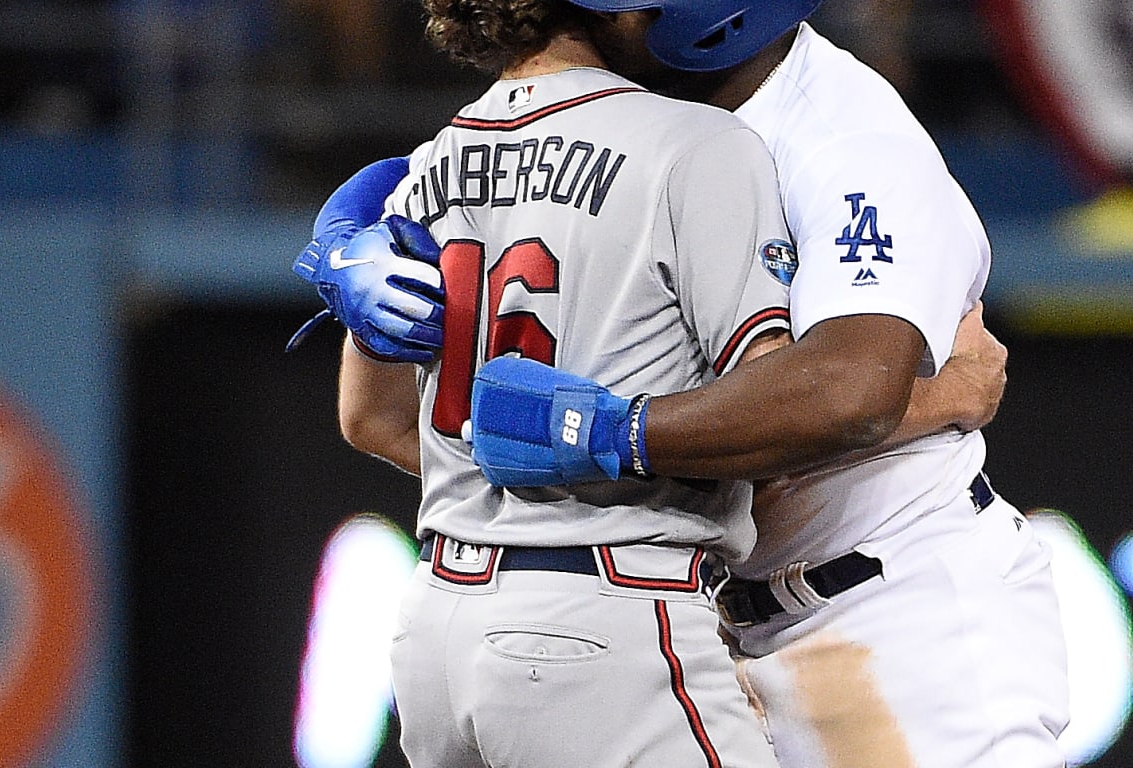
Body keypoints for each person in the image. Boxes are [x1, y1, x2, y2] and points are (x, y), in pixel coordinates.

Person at [300, 2, 1068, 767]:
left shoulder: (845, 141)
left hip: (885, 617)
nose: (591, 16)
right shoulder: (640, 126)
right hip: (685, 626)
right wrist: (348, 232)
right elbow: (400, 420)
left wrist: (605, 437)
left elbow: (845, 395)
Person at [295, 1, 797, 765]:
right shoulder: (696, 145)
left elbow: (372, 420)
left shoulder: (426, 168)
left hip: (437, 628)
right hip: (610, 610)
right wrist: (608, 440)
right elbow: (780, 424)